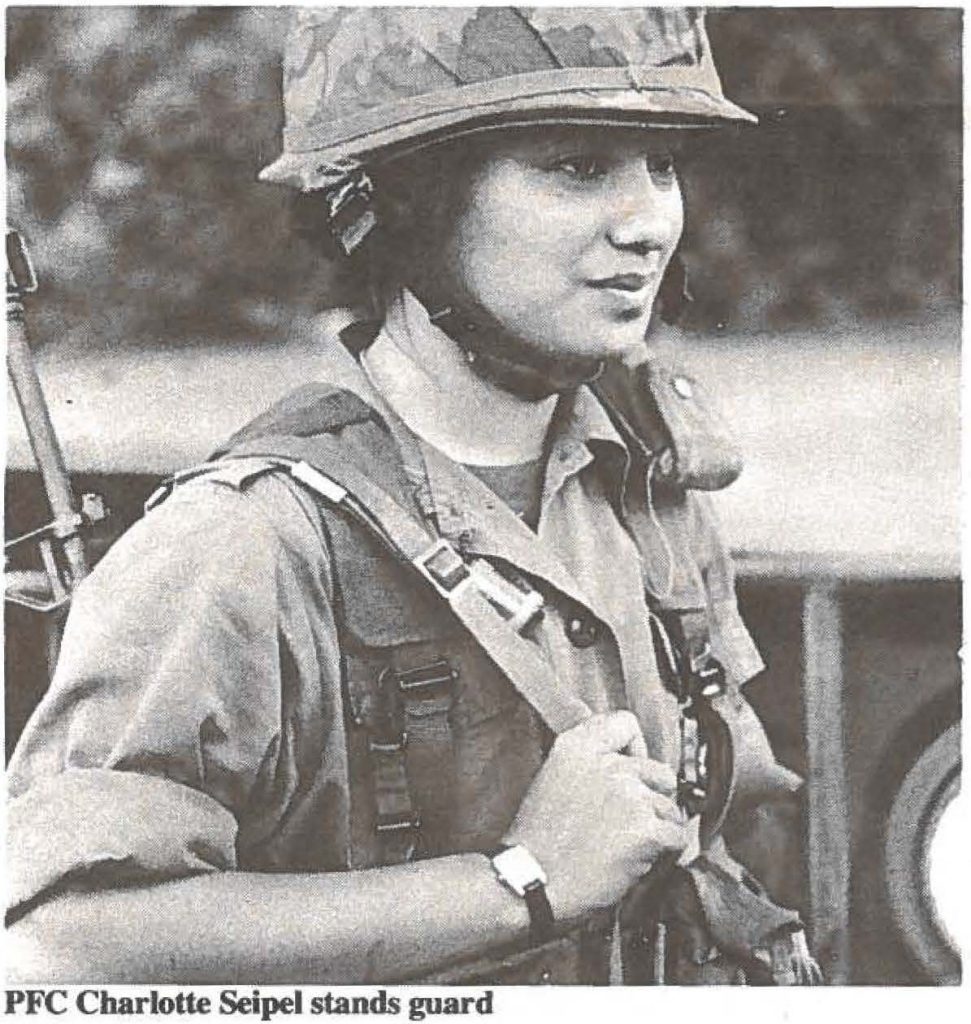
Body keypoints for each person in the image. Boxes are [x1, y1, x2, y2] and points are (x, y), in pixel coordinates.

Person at [6, 7, 819, 985]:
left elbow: (731, 827)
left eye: (662, 164)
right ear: (409, 203)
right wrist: (518, 881)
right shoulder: (245, 541)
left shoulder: (640, 483)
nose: (645, 221)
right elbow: (55, 948)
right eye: (574, 165)